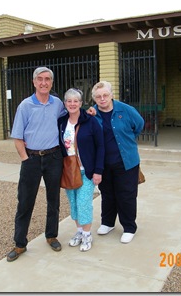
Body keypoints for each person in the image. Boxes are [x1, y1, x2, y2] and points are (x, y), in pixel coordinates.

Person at [7, 67, 66, 262]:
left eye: (47, 79)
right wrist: (25, 158)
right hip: (31, 159)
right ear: (34, 82)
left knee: (53, 200)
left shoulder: (57, 103)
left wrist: (88, 112)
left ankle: (51, 236)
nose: (43, 82)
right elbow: (17, 136)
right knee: (25, 201)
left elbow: (71, 115)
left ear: (51, 82)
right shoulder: (25, 106)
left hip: (54, 157)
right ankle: (20, 244)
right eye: (40, 79)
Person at [91, 81, 144, 244]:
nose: (102, 99)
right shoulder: (92, 114)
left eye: (105, 95)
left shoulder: (126, 110)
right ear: (94, 98)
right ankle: (107, 223)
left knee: (126, 195)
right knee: (107, 194)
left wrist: (127, 140)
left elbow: (139, 125)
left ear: (111, 95)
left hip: (126, 161)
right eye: (98, 97)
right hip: (104, 164)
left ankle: (129, 227)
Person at [58, 88, 105, 252]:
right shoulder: (61, 122)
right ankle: (79, 232)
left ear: (81, 103)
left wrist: (99, 170)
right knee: (74, 204)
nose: (72, 104)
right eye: (69, 101)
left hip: (87, 170)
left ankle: (87, 234)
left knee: (83, 203)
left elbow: (101, 146)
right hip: (69, 171)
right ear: (65, 104)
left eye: (75, 101)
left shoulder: (90, 121)